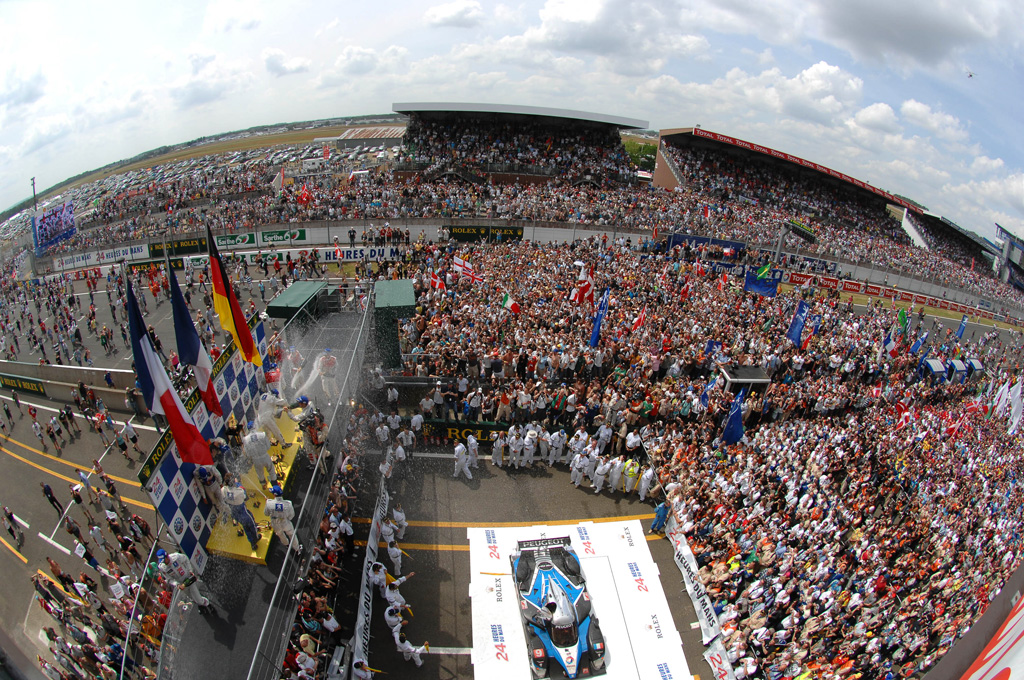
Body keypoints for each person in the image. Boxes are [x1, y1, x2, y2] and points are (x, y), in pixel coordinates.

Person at [222, 475, 261, 552]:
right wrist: (238, 484)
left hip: (235, 514)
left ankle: (252, 543)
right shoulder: (239, 491)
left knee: (245, 526)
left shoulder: (223, 490)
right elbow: (244, 495)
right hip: (243, 512)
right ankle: (255, 539)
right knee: (251, 526)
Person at [264, 485, 301, 554]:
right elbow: (291, 515)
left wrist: (268, 504)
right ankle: (297, 548)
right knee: (292, 535)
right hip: (285, 522)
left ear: (274, 494)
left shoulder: (268, 503)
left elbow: (266, 513)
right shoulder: (288, 504)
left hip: (275, 523)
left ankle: (286, 544)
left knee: (280, 534)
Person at [243, 422, 278, 486]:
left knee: (260, 473)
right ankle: (275, 485)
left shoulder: (246, 439)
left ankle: (263, 485)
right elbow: (268, 446)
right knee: (271, 470)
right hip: (265, 456)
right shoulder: (262, 434)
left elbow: (247, 453)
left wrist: (253, 456)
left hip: (256, 459)